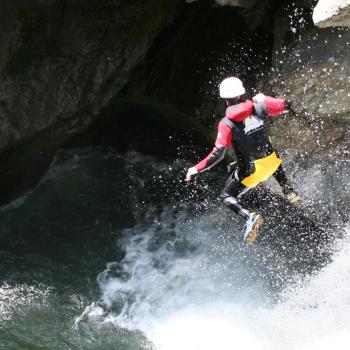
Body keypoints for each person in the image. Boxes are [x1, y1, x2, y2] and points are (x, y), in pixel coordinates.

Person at [185, 77, 300, 244]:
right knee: (268, 154)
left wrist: (195, 169)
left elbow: (218, 153)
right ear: (243, 92)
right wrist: (266, 99)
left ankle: (250, 216)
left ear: (225, 100)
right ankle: (289, 191)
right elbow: (287, 106)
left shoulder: (227, 123)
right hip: (273, 162)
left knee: (226, 196)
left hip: (252, 170)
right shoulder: (261, 105)